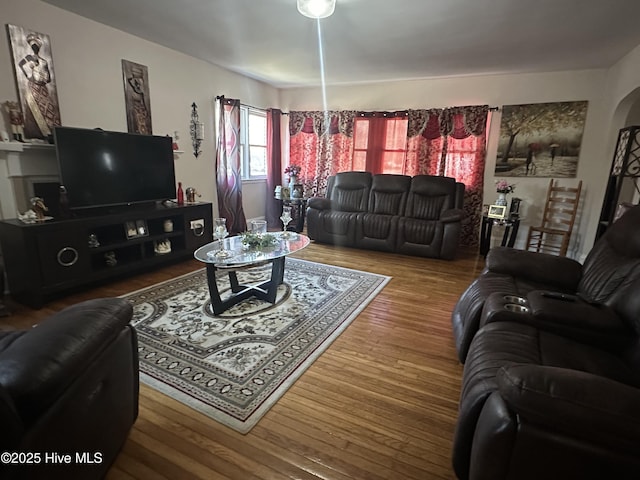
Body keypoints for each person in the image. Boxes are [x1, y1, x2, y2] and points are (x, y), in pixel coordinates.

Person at [17, 32, 61, 139]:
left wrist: (44, 78)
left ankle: (52, 134)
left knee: (48, 111)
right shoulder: (28, 58)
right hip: (33, 87)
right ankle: (41, 134)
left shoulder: (44, 61)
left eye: (36, 46)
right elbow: (20, 64)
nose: (35, 48)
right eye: (33, 46)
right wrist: (28, 74)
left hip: (43, 88)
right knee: (35, 111)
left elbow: (49, 77)